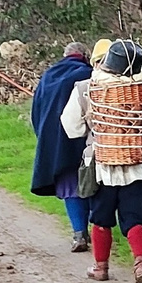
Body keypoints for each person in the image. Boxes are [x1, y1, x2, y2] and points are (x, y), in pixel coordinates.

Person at [61, 38, 142, 283]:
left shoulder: (86, 87)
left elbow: (71, 127)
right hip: (141, 162)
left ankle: (101, 267)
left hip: (103, 163)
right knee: (138, 217)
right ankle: (140, 264)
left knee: (101, 217)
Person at [27, 39, 93, 250]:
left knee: (70, 186)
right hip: (86, 139)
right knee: (92, 183)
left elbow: (36, 113)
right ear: (85, 56)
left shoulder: (48, 76)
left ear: (65, 55)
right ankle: (96, 227)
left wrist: (46, 140)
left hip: (57, 143)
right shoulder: (90, 74)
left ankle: (79, 233)